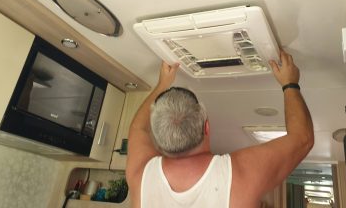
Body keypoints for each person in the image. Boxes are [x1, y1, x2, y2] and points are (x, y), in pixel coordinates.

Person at [126, 50, 314, 208]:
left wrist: (289, 85)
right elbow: (301, 139)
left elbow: (138, 129)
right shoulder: (236, 175)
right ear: (206, 127)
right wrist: (290, 83)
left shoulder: (140, 178)